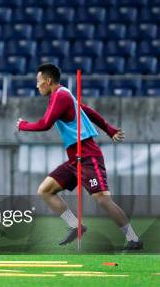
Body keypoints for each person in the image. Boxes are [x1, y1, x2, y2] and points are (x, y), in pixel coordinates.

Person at [17, 63, 143, 250]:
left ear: (48, 80)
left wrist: (23, 125)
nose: (37, 86)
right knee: (45, 190)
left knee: (102, 199)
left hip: (87, 155)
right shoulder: (61, 95)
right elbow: (88, 111)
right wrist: (109, 129)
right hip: (73, 158)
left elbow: (45, 124)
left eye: (38, 81)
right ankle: (75, 226)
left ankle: (133, 239)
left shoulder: (61, 95)